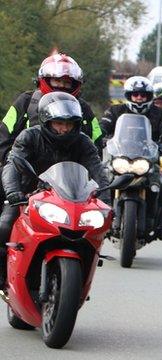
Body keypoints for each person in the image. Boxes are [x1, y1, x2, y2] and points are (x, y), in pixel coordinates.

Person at [0, 92, 106, 288]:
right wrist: (13, 192)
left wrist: (106, 196)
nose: (64, 129)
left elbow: (97, 168)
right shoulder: (29, 136)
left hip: (70, 199)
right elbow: (12, 164)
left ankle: (80, 277)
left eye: (69, 124)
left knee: (93, 231)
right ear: (46, 121)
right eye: (59, 123)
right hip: (28, 195)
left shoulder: (83, 142)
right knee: (5, 224)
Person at [101, 76, 162, 240]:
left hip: (147, 161)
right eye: (135, 94)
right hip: (120, 159)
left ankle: (160, 225)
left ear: (149, 96)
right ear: (129, 95)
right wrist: (101, 140)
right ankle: (99, 219)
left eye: (143, 94)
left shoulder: (160, 113)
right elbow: (101, 129)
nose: (139, 98)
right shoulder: (115, 111)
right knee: (100, 179)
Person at [0, 52, 103, 164]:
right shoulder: (26, 101)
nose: (62, 86)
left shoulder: (83, 108)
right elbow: (4, 135)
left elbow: (96, 142)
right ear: (45, 80)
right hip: (29, 174)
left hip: (71, 176)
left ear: (75, 84)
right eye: (57, 81)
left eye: (67, 82)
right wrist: (13, 161)